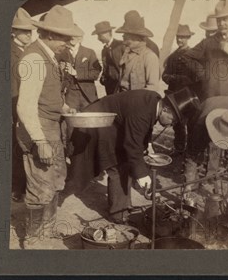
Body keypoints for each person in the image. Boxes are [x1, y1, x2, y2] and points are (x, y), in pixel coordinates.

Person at [67, 88, 200, 223]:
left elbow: (143, 127)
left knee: (127, 164)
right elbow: (132, 146)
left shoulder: (155, 100)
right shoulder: (142, 110)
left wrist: (147, 144)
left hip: (112, 125)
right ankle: (118, 214)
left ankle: (123, 207)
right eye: (174, 120)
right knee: (118, 166)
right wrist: (143, 177)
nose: (172, 124)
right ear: (166, 109)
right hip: (95, 124)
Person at [16, 5, 82, 242]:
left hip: (52, 127)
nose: (69, 43)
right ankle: (32, 239)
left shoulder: (50, 57)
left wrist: (63, 108)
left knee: (55, 181)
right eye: (65, 37)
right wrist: (40, 140)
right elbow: (25, 105)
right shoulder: (34, 58)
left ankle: (48, 229)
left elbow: (46, 95)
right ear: (51, 34)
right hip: (40, 130)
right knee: (40, 187)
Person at [11, 7, 37, 202]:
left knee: (29, 145)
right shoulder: (8, 51)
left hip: (30, 104)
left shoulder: (30, 51)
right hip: (15, 105)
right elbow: (12, 86)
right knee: (17, 146)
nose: (28, 34)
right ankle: (17, 188)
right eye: (24, 31)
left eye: (30, 31)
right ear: (13, 32)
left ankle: (27, 185)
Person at [162, 24, 197, 152]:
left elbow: (196, 77)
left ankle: (191, 152)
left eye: (183, 37)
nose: (180, 40)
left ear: (188, 38)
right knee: (177, 124)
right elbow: (164, 76)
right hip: (174, 96)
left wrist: (185, 80)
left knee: (191, 124)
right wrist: (174, 78)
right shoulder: (172, 57)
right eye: (178, 37)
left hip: (189, 97)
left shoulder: (194, 56)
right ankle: (179, 148)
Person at [116, 10, 161, 95]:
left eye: (126, 34)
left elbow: (153, 87)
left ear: (135, 37)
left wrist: (134, 98)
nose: (123, 36)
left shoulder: (149, 56)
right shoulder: (126, 53)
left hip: (138, 103)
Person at [58, 34, 102, 111]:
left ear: (80, 38)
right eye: (70, 34)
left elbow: (95, 73)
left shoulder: (89, 52)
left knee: (90, 119)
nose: (72, 37)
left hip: (88, 95)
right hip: (70, 94)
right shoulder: (61, 53)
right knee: (70, 119)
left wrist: (76, 73)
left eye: (75, 34)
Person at [93, 21, 124, 95]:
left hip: (121, 87)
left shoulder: (121, 46)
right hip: (110, 87)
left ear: (107, 33)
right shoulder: (104, 50)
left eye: (99, 35)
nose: (98, 38)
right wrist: (103, 79)